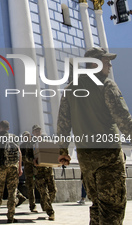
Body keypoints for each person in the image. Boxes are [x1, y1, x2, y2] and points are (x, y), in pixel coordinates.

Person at [57, 47, 132, 224]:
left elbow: (63, 125)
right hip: (108, 157)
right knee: (112, 209)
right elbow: (123, 120)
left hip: (85, 158)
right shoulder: (106, 84)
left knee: (98, 206)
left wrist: (62, 151)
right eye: (106, 61)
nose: (110, 66)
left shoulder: (69, 89)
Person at [0, 120, 23, 223]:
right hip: (13, 167)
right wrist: (20, 168)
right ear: (8, 128)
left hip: (1, 167)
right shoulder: (14, 137)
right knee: (12, 191)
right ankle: (11, 216)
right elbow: (19, 153)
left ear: (0, 127)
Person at [32, 125, 57, 221]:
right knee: (44, 193)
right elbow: (27, 157)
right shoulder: (31, 143)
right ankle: (51, 212)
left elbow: (52, 152)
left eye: (38, 130)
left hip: (48, 170)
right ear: (33, 133)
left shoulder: (46, 141)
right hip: (38, 172)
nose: (37, 132)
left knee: (53, 191)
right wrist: (33, 161)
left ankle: (45, 204)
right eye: (35, 131)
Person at [20, 131, 38, 212]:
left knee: (41, 186)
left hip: (37, 168)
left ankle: (46, 204)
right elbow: (22, 157)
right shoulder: (22, 146)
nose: (27, 137)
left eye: (28, 136)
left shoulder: (35, 143)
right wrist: (31, 160)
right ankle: (32, 205)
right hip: (28, 169)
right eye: (25, 136)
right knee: (30, 187)